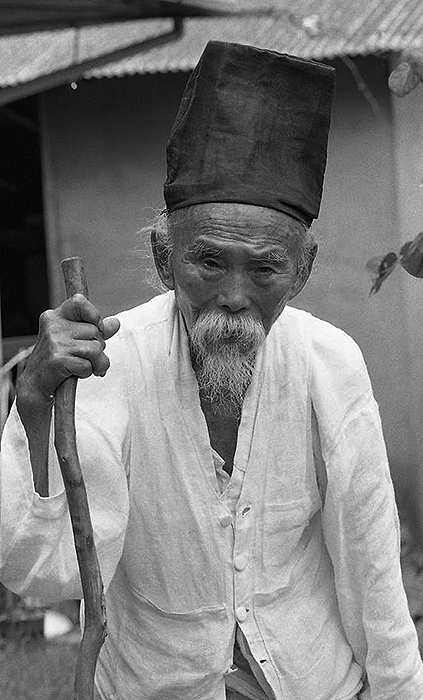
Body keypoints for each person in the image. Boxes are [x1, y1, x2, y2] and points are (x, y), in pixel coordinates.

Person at [0, 40, 422, 700]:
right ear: (164, 258)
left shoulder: (330, 365)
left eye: (265, 269)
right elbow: (48, 573)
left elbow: (373, 576)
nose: (233, 296)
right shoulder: (110, 365)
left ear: (302, 270)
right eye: (208, 262)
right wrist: (32, 401)